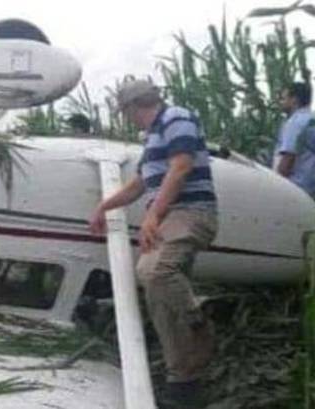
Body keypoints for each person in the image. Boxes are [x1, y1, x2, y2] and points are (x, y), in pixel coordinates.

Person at [89, 78, 218, 403]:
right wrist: (105, 206)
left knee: (154, 271)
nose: (126, 117)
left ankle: (199, 317)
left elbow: (181, 167)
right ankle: (183, 379)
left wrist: (152, 216)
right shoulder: (153, 138)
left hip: (190, 212)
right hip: (171, 215)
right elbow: (137, 185)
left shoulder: (176, 118)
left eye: (125, 111)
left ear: (134, 106)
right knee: (159, 300)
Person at [273, 82, 315, 199]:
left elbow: (288, 158)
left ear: (294, 100)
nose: (281, 102)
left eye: (284, 98)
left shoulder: (295, 122)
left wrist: (275, 183)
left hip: (295, 188)